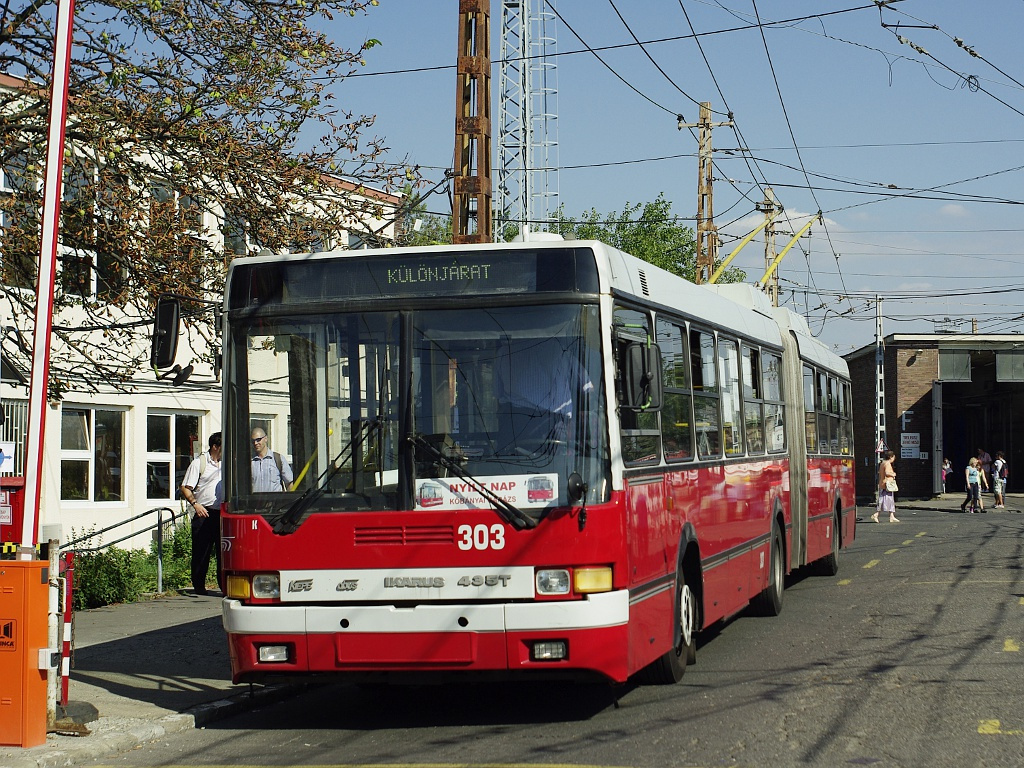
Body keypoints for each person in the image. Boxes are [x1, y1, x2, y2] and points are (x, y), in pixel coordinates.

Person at [180, 432, 223, 595]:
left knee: (222, 552)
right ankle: (199, 586)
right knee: (201, 551)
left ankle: (223, 586)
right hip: (204, 513)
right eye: (222, 446)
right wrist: (195, 504)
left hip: (221, 513)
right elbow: (185, 487)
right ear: (215, 447)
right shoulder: (199, 463)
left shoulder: (226, 463)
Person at [251, 427, 293, 491]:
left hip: (275, 500)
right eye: (253, 441)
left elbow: (289, 484)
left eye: (258, 440)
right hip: (256, 500)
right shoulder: (250, 462)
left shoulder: (278, 459)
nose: (255, 443)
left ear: (265, 439)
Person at [872, 450, 899, 523]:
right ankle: (876, 514)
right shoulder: (887, 464)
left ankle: (891, 516)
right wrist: (893, 474)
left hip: (883, 483)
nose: (894, 459)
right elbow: (887, 472)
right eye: (893, 457)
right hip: (887, 484)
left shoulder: (882, 463)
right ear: (890, 457)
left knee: (889, 500)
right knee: (883, 500)